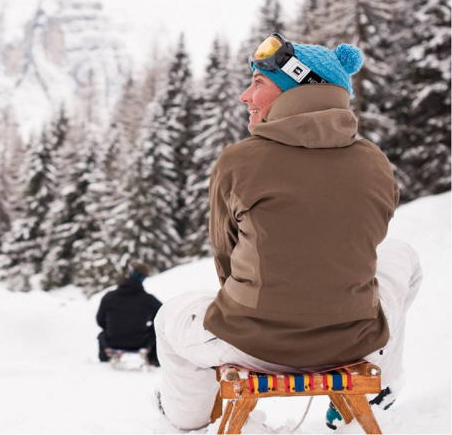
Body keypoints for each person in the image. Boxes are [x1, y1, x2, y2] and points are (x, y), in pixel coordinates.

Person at [154, 33, 423, 431]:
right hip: (355, 339)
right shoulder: (374, 162)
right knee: (402, 257)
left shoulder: (239, 161)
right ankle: (381, 385)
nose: (246, 96)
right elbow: (368, 241)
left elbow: (225, 257)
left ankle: (186, 420)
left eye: (259, 83)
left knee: (169, 317)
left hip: (252, 345)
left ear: (297, 91)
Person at [97, 261, 162, 366]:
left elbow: (100, 321)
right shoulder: (148, 299)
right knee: (156, 331)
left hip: (112, 341)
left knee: (102, 334)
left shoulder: (109, 297)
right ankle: (153, 360)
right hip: (140, 342)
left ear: (128, 275)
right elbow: (163, 317)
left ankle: (104, 361)